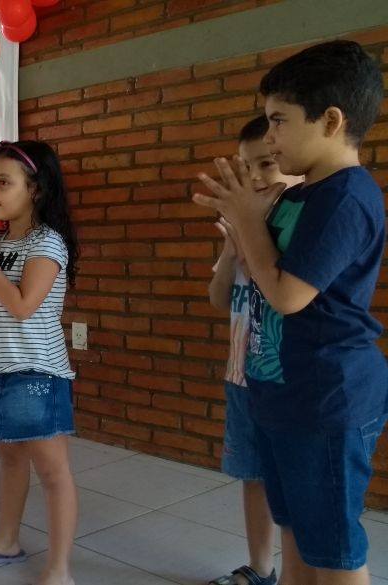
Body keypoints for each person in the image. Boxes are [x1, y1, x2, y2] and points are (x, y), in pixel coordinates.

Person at [194, 40, 387, 585]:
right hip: (282, 395)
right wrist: (242, 224)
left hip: (327, 399)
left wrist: (246, 220)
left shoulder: (345, 197)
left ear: (331, 121)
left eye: (279, 121)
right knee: (296, 531)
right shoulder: (299, 196)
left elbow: (286, 295)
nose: (271, 137)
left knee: (334, 549)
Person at [0, 140, 79, 584]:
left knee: (53, 471)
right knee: (9, 459)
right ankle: (7, 539)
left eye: (4, 182)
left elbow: (24, 306)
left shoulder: (47, 242)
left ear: (36, 189)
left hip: (37, 374)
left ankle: (59, 569)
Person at [206, 115, 302, 585]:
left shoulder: (299, 225)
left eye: (267, 163)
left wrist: (253, 240)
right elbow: (219, 298)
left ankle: (297, 574)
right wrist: (230, 250)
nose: (257, 177)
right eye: (247, 168)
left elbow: (289, 294)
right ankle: (261, 567)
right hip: (241, 375)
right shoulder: (241, 225)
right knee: (253, 474)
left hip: (285, 380)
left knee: (291, 483)